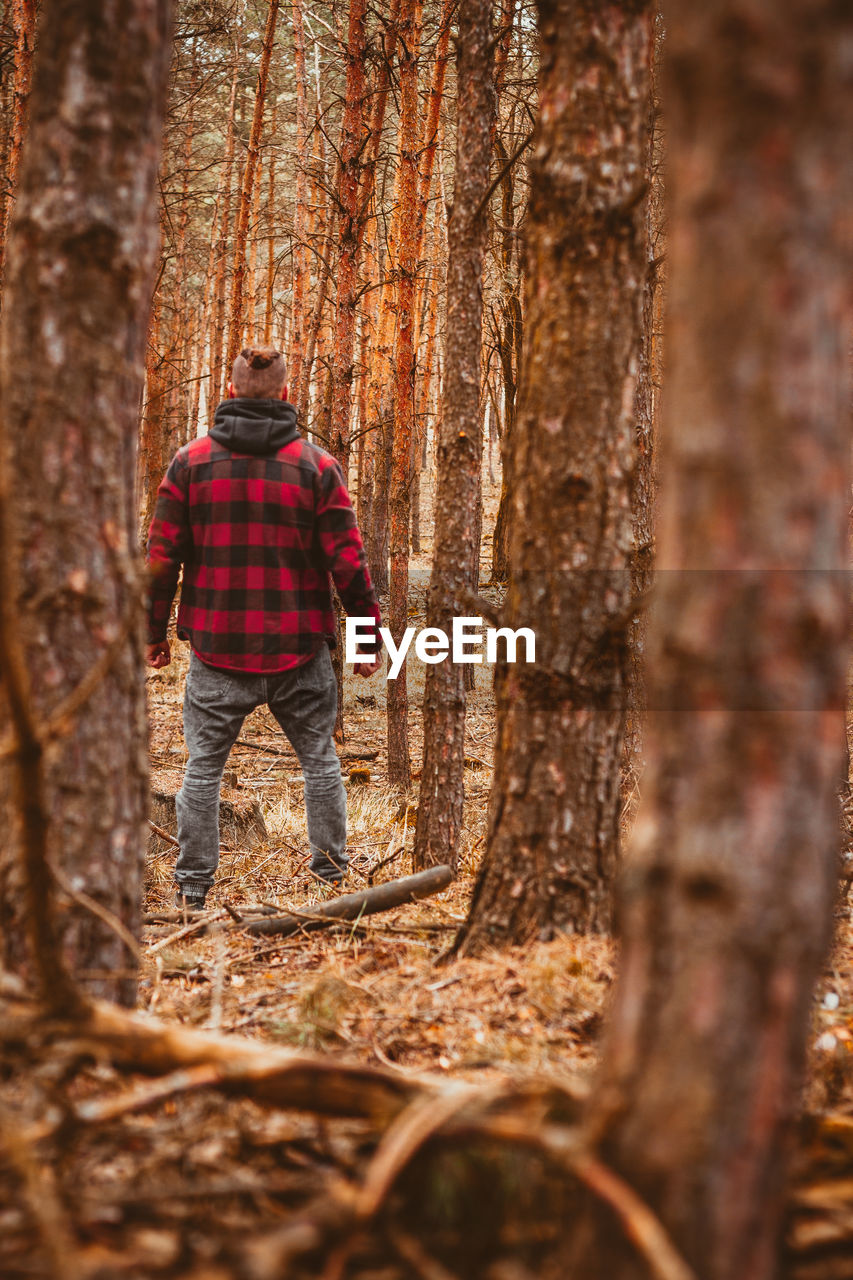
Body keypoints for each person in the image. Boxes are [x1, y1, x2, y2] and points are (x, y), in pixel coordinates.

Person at [145, 345, 381, 910]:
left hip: (217, 649)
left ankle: (192, 889)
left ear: (229, 393)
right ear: (282, 395)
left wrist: (153, 631)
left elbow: (161, 558)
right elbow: (348, 560)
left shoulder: (190, 463)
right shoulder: (316, 467)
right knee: (320, 761)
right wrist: (367, 635)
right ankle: (331, 882)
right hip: (299, 650)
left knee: (201, 772)